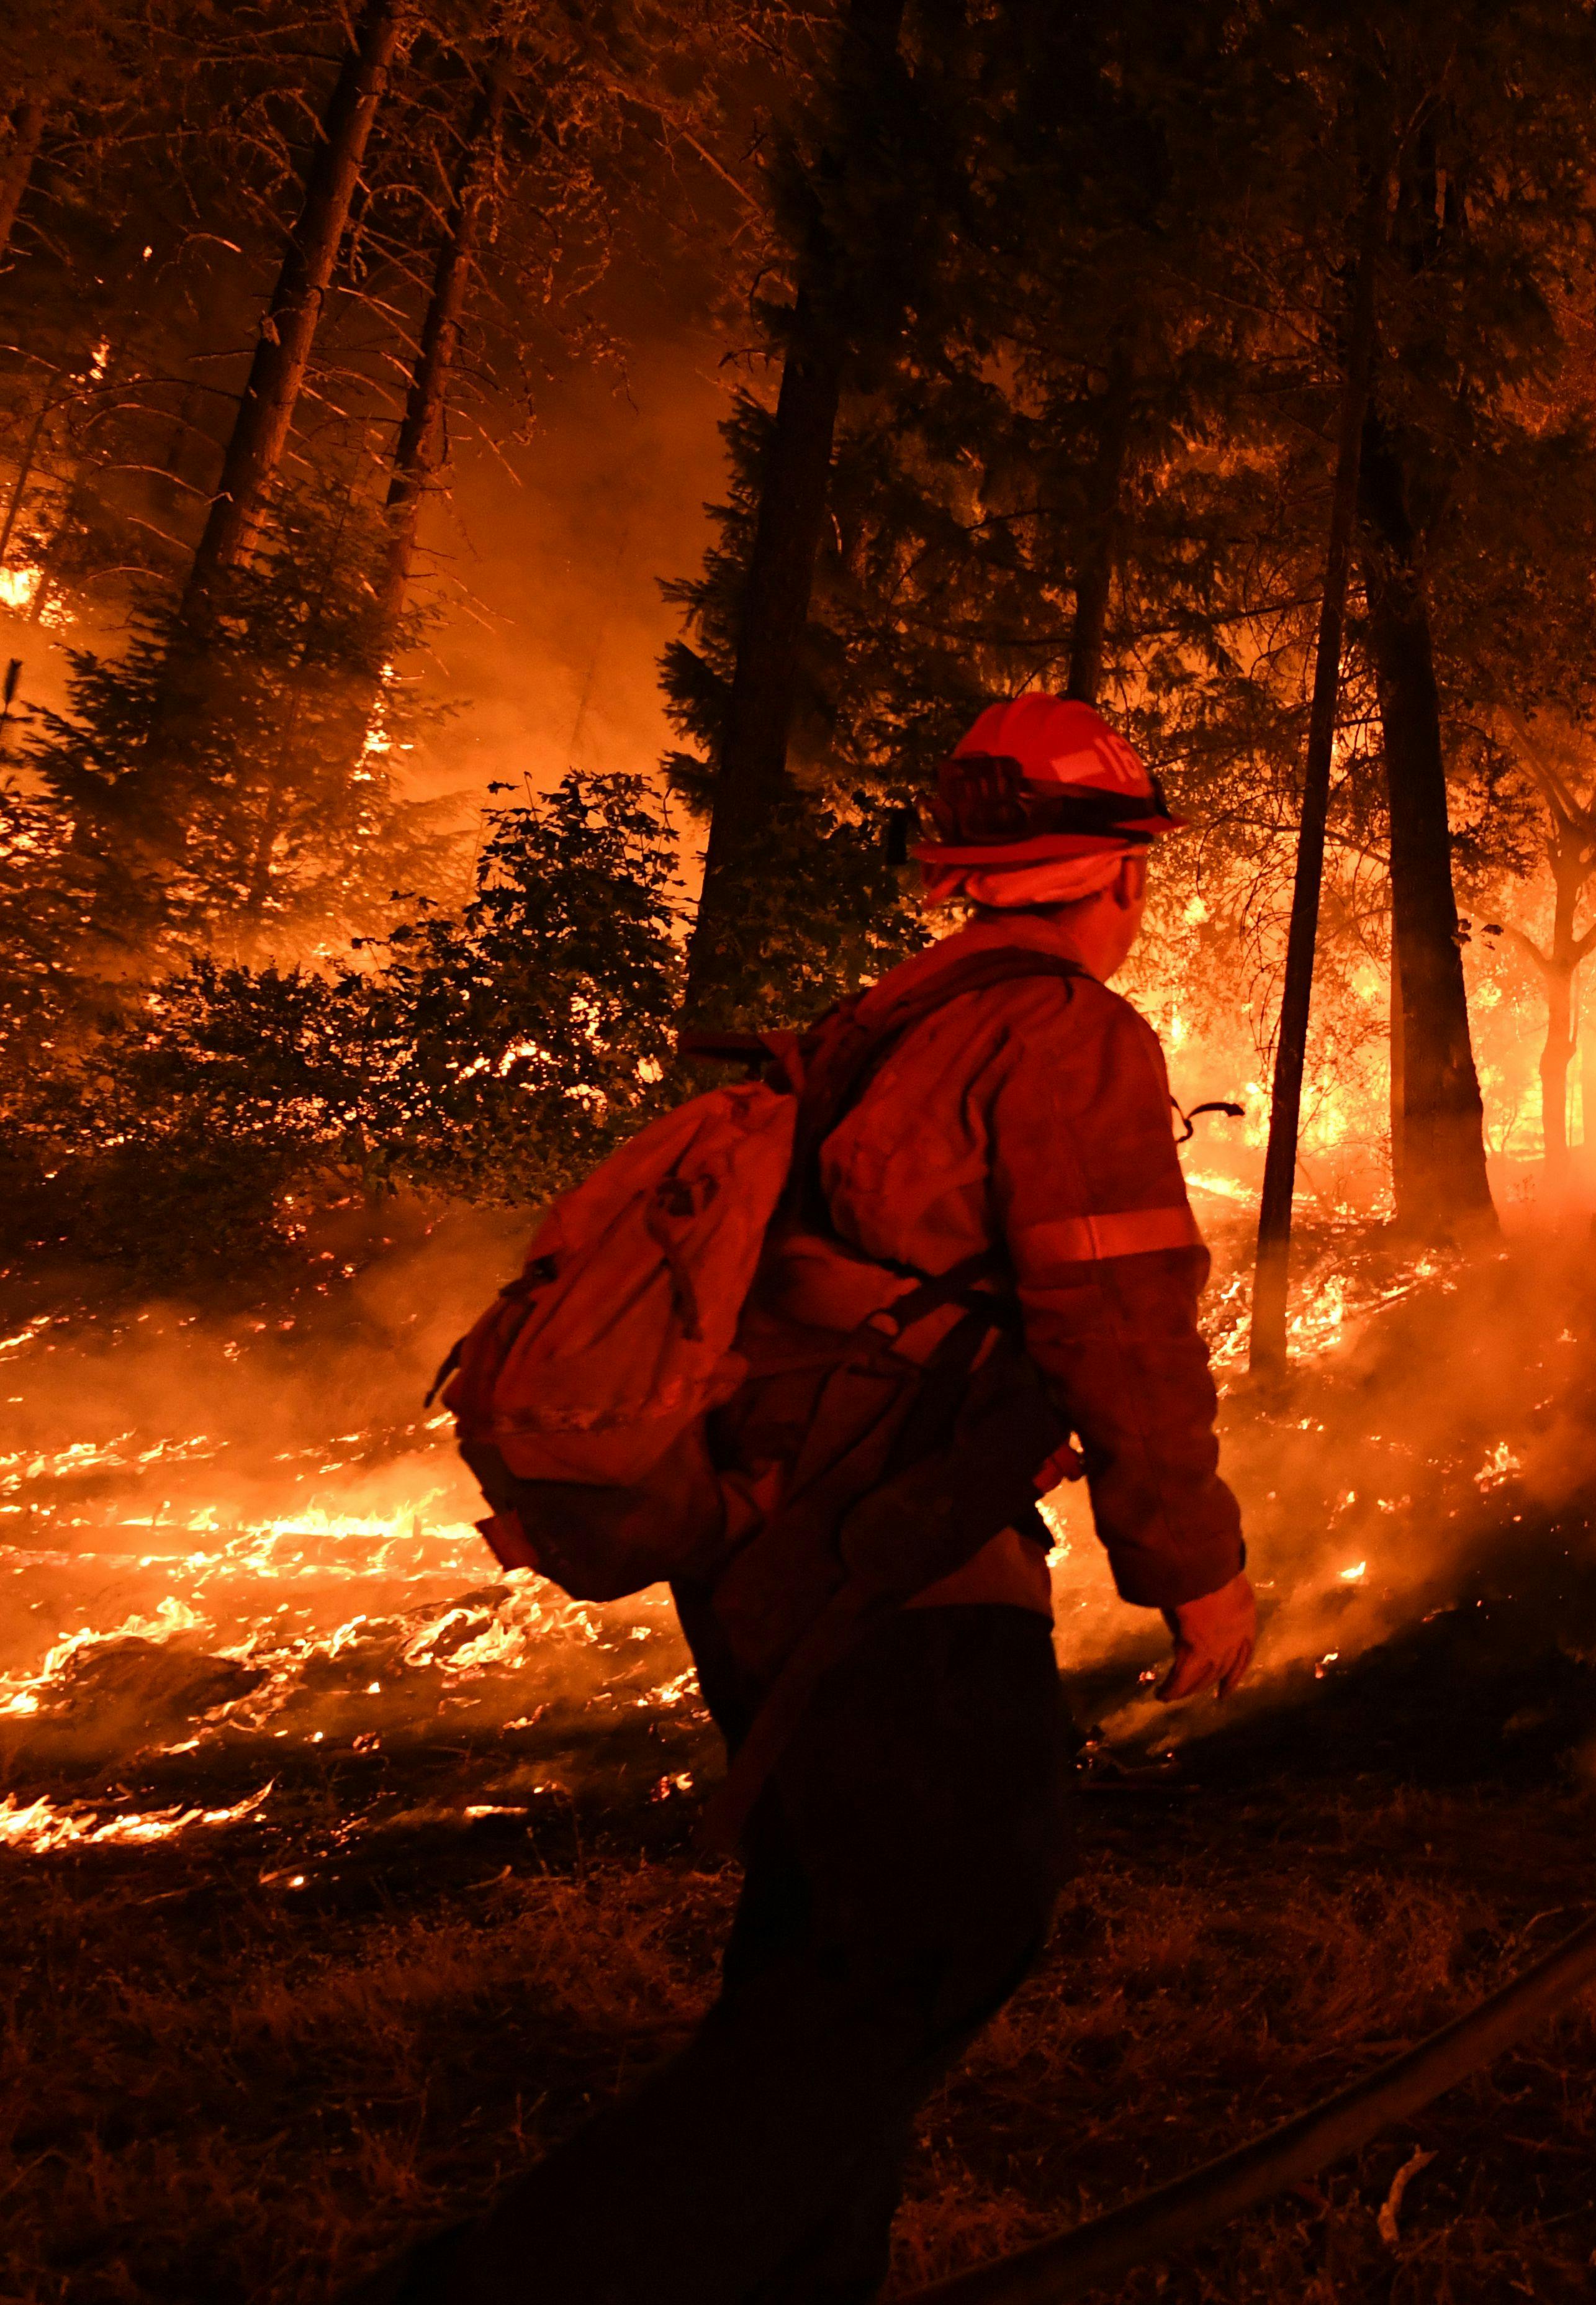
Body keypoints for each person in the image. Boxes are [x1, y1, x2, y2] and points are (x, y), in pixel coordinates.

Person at [357, 695, 1258, 2304]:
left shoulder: (890, 1016)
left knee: (825, 1965)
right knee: (930, 1945)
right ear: (1116, 877)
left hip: (773, 1549)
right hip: (892, 1564)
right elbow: (1114, 1322)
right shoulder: (1064, 1034)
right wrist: (1192, 1564)